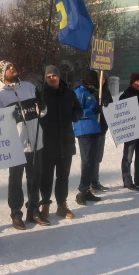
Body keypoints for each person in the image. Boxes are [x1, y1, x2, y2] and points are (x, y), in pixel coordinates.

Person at [0, 61, 49, 230]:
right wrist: (9, 118)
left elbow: (41, 112)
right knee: (15, 181)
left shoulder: (29, 87)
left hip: (36, 142)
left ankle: (34, 210)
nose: (12, 67)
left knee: (35, 177)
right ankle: (16, 213)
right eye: (7, 68)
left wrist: (43, 108)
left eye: (12, 65)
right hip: (15, 145)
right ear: (2, 74)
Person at [39, 66, 82, 219]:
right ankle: (44, 204)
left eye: (54, 75)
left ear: (59, 76)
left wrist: (74, 115)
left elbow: (79, 109)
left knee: (63, 176)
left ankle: (62, 205)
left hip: (66, 142)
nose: (51, 78)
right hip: (47, 143)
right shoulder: (41, 94)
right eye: (48, 76)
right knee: (46, 176)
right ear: (45, 78)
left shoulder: (69, 93)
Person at [73, 71, 104, 206]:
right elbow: (76, 113)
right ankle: (81, 191)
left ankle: (87, 190)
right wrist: (93, 111)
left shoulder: (91, 91)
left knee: (92, 161)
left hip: (93, 130)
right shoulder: (80, 92)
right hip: (84, 131)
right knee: (86, 162)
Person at [90, 71, 114, 194]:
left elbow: (112, 109)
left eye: (104, 78)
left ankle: (95, 181)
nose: (102, 80)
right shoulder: (91, 91)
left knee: (98, 157)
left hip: (102, 128)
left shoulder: (106, 92)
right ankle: (90, 183)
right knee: (90, 157)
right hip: (91, 129)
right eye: (100, 78)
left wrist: (107, 106)